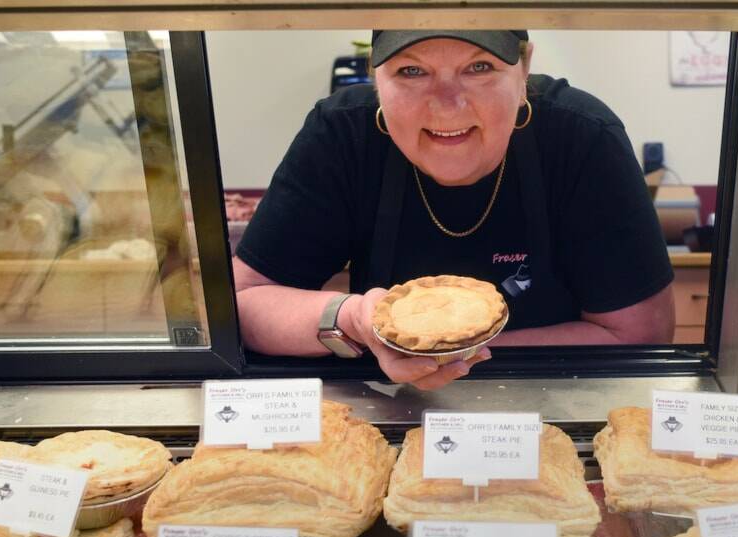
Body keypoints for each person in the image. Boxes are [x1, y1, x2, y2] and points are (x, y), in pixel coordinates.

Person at [233, 29, 675, 390]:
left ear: (524, 70)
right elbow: (245, 302)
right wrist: (354, 321)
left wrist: (450, 357)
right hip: (388, 403)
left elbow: (639, 334)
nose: (447, 103)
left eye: (479, 67)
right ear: (376, 78)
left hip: (553, 402)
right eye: (411, 71)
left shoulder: (581, 138)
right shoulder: (341, 138)